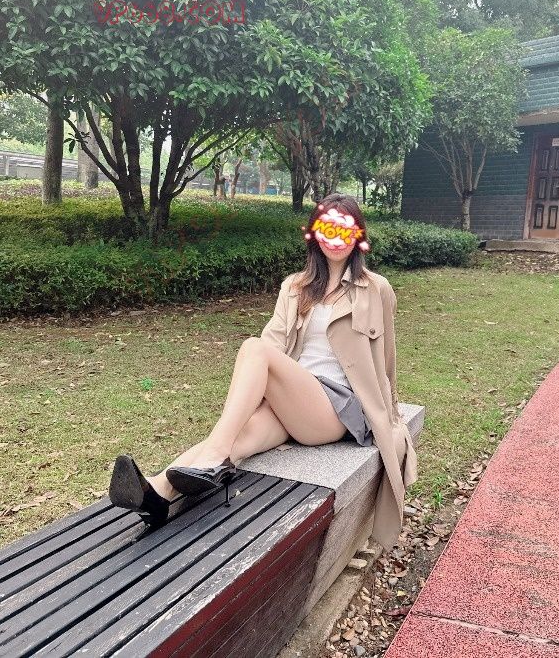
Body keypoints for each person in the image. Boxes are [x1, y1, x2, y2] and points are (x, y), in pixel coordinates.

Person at [108, 193, 417, 552]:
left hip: (337, 408)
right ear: (315, 233)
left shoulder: (376, 289)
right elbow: (274, 344)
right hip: (295, 401)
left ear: (358, 235)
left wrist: (392, 417)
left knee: (253, 349)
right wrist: (259, 394)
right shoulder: (295, 287)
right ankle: (159, 494)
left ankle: (212, 457)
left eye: (345, 229)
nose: (336, 238)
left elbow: (386, 359)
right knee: (239, 438)